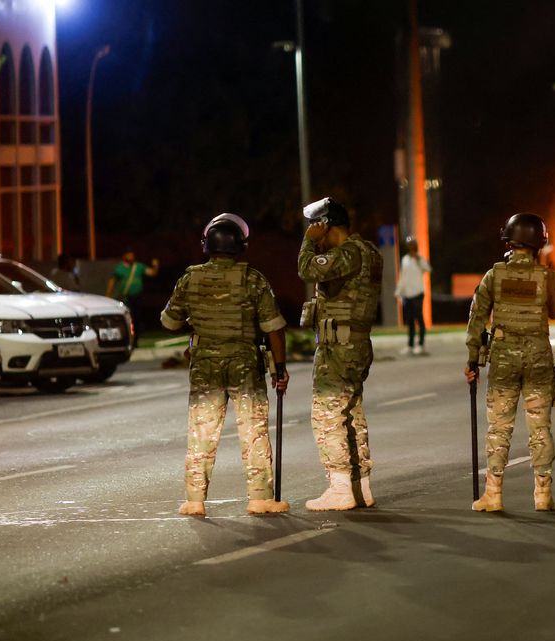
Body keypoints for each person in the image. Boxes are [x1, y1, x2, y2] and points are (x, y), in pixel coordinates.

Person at [160, 213, 290, 517]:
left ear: (207, 246)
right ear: (241, 246)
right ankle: (260, 499)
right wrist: (279, 368)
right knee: (253, 430)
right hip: (245, 363)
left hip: (205, 364)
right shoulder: (254, 279)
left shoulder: (190, 278)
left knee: (202, 431)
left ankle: (195, 500)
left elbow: (169, 322)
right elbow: (273, 327)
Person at [466, 213, 555, 512]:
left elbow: (477, 319)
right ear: (539, 244)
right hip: (538, 355)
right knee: (540, 427)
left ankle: (493, 495)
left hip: (504, 356)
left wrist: (473, 359)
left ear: (509, 241)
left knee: (499, 426)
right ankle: (543, 495)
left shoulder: (494, 275)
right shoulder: (546, 276)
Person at [298, 197, 383, 511]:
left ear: (325, 225)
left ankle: (340, 487)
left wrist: (308, 245)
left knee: (327, 416)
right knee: (352, 415)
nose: (310, 230)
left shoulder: (347, 253)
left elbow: (306, 270)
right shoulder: (367, 252)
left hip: (339, 347)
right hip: (356, 343)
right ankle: (360, 487)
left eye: (313, 225)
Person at [107, 249, 160, 343]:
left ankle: (135, 340)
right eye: (129, 255)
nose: (131, 257)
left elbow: (152, 273)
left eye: (132, 255)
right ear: (124, 256)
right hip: (126, 297)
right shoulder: (119, 268)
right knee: (128, 318)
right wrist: (108, 295)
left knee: (137, 318)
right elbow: (112, 282)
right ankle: (127, 338)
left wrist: (155, 266)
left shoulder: (138, 266)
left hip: (137, 297)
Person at [396, 237, 431, 355]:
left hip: (417, 293)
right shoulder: (405, 259)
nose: (411, 247)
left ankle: (421, 344)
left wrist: (418, 259)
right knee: (410, 321)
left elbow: (427, 269)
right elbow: (403, 277)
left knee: (419, 319)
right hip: (407, 294)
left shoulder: (420, 258)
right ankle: (410, 345)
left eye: (412, 245)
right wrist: (398, 291)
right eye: (409, 245)